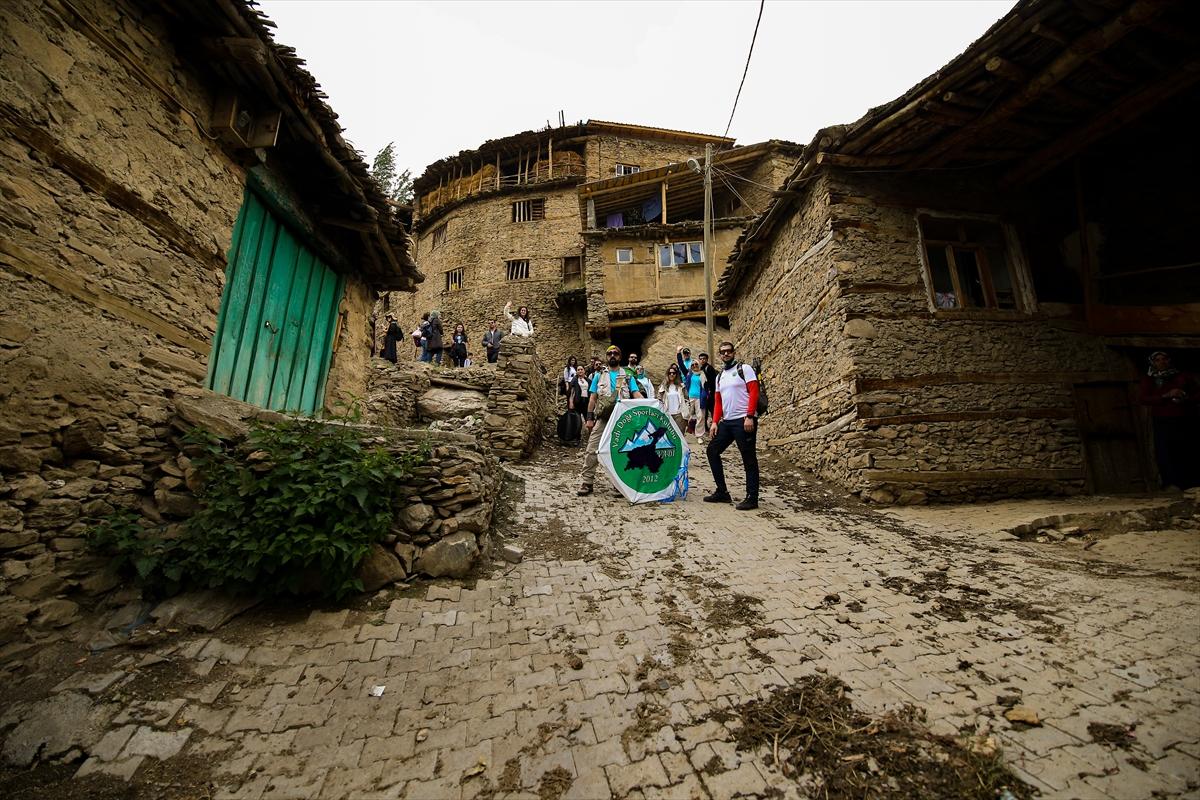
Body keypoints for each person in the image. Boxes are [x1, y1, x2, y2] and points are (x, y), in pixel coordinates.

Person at [578, 345, 644, 495]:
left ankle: (619, 483)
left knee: (623, 451)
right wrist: (589, 418)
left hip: (622, 419)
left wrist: (648, 403)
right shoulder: (598, 375)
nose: (612, 355)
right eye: (609, 353)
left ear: (620, 357)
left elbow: (635, 393)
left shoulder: (627, 376)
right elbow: (593, 398)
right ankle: (587, 482)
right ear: (606, 357)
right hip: (603, 418)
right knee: (592, 448)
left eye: (615, 353)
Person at [704, 341, 760, 511]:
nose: (726, 354)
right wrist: (714, 421)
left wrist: (750, 416)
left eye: (728, 351)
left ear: (734, 353)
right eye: (722, 352)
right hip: (727, 422)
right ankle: (722, 491)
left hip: (744, 420)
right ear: (720, 355)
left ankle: (752, 497)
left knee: (748, 458)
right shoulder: (720, 376)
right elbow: (718, 400)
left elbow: (754, 391)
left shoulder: (745, 369)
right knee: (712, 451)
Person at [1139, 351, 1199, 489]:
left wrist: (1185, 397)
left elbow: (1197, 394)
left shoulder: (1183, 376)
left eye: (1164, 359)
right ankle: (1171, 483)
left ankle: (1191, 483)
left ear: (1169, 360)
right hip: (1163, 420)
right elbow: (1143, 398)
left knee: (1188, 449)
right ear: (1152, 363)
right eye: (1157, 360)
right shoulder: (1149, 379)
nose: (1162, 362)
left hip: (1186, 419)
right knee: (1166, 451)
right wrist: (1166, 395)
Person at [695, 351, 718, 443]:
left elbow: (712, 382)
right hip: (704, 394)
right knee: (704, 411)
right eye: (700, 359)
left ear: (707, 359)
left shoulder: (709, 368)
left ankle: (714, 428)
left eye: (704, 359)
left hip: (710, 394)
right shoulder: (702, 369)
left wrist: (710, 393)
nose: (702, 360)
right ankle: (706, 428)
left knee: (711, 410)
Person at [658, 364, 686, 431]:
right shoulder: (663, 387)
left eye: (674, 373)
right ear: (667, 374)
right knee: (668, 436)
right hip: (667, 414)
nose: (672, 374)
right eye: (670, 373)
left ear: (676, 374)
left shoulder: (681, 386)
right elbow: (659, 399)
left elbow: (686, 399)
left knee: (679, 435)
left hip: (679, 415)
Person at [683, 360, 704, 436]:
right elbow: (687, 385)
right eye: (692, 365)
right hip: (691, 397)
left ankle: (699, 434)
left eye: (696, 364)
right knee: (689, 414)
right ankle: (688, 429)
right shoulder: (690, 374)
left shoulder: (702, 374)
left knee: (700, 416)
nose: (694, 366)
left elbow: (704, 386)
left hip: (699, 397)